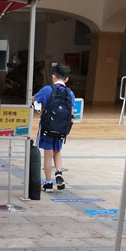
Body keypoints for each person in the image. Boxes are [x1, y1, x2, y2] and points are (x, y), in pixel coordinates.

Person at [33, 62, 75, 192]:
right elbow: (72, 112)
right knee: (57, 151)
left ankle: (48, 183)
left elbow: (33, 99)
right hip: (62, 127)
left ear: (53, 76)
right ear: (67, 79)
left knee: (47, 154)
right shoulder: (70, 93)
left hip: (47, 127)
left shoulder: (47, 89)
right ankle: (58, 172)